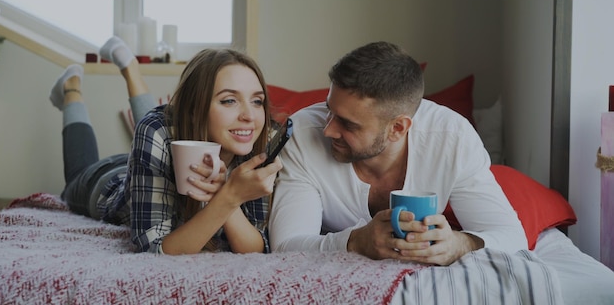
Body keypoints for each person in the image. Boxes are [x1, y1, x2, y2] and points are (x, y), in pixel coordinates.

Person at [268, 41, 528, 266]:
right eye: (329, 110)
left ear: (397, 128)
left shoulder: (451, 138)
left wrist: (457, 245)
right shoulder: (302, 134)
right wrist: (356, 241)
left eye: (348, 124)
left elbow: (512, 238)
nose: (328, 130)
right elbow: (285, 247)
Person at [50, 36, 282, 255]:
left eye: (257, 101)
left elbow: (257, 247)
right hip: (105, 181)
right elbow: (154, 250)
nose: (250, 116)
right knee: (77, 175)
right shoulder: (155, 130)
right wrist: (229, 196)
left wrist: (227, 195)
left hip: (152, 158)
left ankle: (131, 69)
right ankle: (72, 90)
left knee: (165, 127)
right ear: (194, 109)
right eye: (229, 100)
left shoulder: (262, 141)